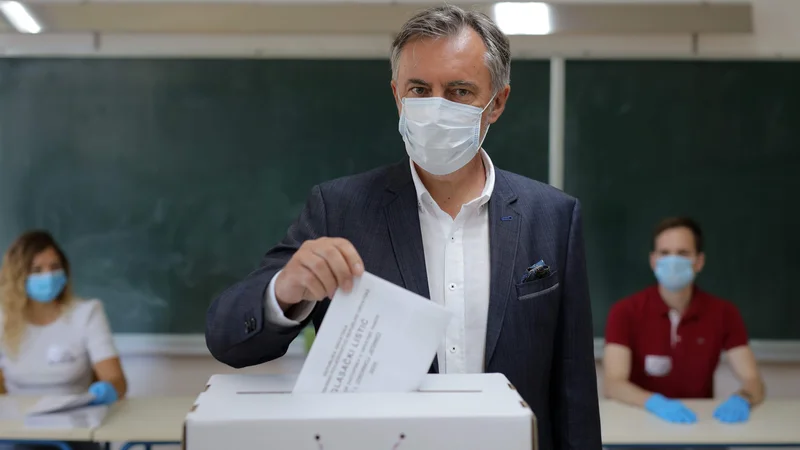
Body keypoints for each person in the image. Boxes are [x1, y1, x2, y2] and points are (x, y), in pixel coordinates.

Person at [205, 4, 601, 449]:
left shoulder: (552, 216)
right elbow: (227, 339)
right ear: (397, 95)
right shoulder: (340, 209)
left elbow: (575, 392)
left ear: (497, 103)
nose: (435, 108)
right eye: (419, 89)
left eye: (458, 91)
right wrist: (284, 290)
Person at [603, 217, 765, 425]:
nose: (673, 261)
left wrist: (743, 398)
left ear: (699, 261)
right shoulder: (624, 311)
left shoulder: (724, 313)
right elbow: (613, 383)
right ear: (653, 261)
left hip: (699, 426)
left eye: (682, 253)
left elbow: (754, 381)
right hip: (639, 425)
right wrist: (654, 402)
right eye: (665, 253)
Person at [0, 230, 127, 450]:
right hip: (16, 431)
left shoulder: (87, 313)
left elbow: (117, 380)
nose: (48, 276)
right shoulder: (2, 319)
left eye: (54, 267)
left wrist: (107, 390)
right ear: (18, 275)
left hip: (75, 430)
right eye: (36, 270)